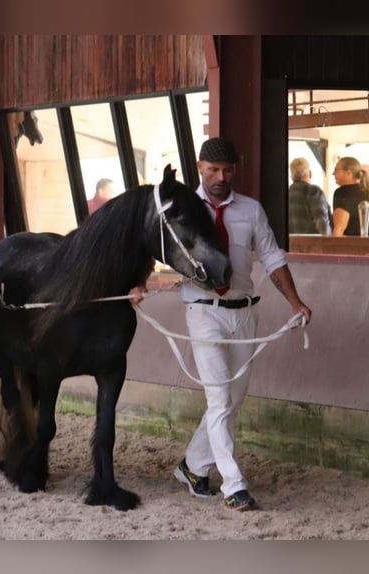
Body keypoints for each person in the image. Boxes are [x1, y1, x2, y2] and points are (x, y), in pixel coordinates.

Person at [132, 137, 312, 511]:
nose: (221, 177)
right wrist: (139, 282)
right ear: (200, 168)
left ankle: (193, 466)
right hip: (203, 310)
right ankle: (233, 484)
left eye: (228, 170)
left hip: (245, 310)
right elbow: (157, 244)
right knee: (218, 398)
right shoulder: (183, 207)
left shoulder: (251, 210)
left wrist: (295, 302)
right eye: (213, 170)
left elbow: (273, 257)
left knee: (232, 400)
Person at [331, 156, 369, 236]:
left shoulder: (343, 192)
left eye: (336, 170)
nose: (333, 173)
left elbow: (339, 228)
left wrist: (331, 247)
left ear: (349, 173)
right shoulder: (365, 191)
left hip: (356, 245)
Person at [288, 157, 331, 235]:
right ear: (310, 173)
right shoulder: (314, 191)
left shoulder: (287, 193)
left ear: (292, 175)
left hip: (291, 244)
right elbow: (321, 221)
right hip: (312, 244)